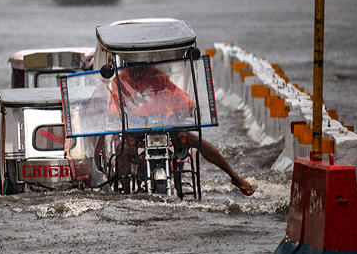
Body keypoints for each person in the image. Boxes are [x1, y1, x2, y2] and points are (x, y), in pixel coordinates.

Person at [96, 63, 255, 196]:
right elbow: (115, 103)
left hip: (165, 125)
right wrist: (114, 115)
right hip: (137, 129)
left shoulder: (157, 75)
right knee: (122, 150)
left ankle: (234, 176)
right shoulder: (122, 78)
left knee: (195, 140)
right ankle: (126, 194)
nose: (140, 69)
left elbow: (176, 95)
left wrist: (190, 107)